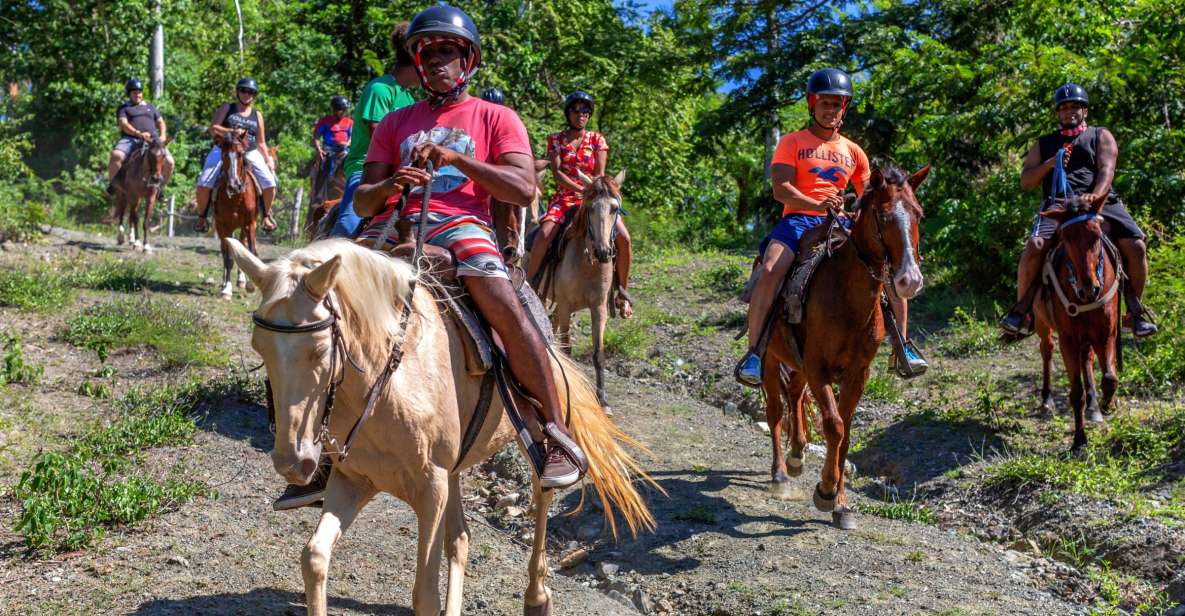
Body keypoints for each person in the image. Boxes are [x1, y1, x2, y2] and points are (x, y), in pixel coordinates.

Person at [273, 4, 588, 511]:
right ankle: (318, 454)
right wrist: (394, 183)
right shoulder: (396, 122)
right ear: (417, 62)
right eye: (429, 53)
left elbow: (525, 188)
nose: (438, 61)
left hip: (463, 226)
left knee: (499, 298)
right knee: (305, 305)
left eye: (449, 52)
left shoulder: (495, 117)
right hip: (392, 228)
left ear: (468, 61)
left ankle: (554, 430)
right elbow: (363, 201)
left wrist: (458, 158)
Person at [734, 68, 928, 388]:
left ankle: (903, 346)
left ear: (844, 108)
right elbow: (781, 189)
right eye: (825, 103)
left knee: (888, 267)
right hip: (797, 221)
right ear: (812, 104)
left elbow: (870, 196)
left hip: (841, 224)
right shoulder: (792, 143)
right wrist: (814, 204)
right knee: (770, 268)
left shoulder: (854, 152)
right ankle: (755, 352)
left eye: (837, 104)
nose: (831, 109)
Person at [1000, 83, 1156, 338]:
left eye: (1075, 106)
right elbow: (1026, 181)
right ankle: (1022, 313)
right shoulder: (1044, 143)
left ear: (1084, 110)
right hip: (1058, 204)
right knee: (1035, 247)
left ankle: (1135, 312)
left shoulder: (1100, 135)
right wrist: (1050, 164)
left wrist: (1096, 195)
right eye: (1063, 108)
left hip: (1099, 201)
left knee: (1136, 245)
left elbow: (1107, 169)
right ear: (1057, 113)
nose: (1069, 112)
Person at [524, 90, 633, 318]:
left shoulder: (597, 140)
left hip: (595, 199)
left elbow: (599, 173)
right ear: (568, 113)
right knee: (544, 234)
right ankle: (530, 288)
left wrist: (591, 194)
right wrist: (582, 190)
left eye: (585, 110)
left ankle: (622, 293)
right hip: (565, 198)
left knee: (624, 237)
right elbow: (557, 174)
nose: (581, 114)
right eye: (576, 110)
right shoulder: (556, 139)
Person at [325, 23, 419, 239]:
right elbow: (377, 133)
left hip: (400, 172)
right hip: (367, 170)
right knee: (349, 225)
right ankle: (325, 261)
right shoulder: (380, 89)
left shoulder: (411, 99)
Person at [194, 77, 279, 233]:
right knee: (204, 183)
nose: (247, 94)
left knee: (270, 183)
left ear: (254, 95)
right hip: (224, 149)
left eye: (251, 92)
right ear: (238, 92)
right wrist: (231, 131)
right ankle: (202, 217)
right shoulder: (228, 107)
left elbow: (261, 142)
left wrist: (268, 160)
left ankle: (266, 216)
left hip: (249, 151)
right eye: (243, 90)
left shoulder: (257, 115)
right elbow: (213, 128)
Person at [106, 79, 173, 196]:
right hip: (131, 138)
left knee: (170, 162)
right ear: (129, 94)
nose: (138, 95)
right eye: (134, 92)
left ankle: (159, 189)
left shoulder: (150, 107)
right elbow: (123, 124)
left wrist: (162, 136)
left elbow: (161, 122)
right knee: (116, 155)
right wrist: (138, 133)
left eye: (139, 92)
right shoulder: (124, 108)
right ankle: (114, 185)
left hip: (153, 140)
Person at [311, 95, 353, 199]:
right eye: (341, 110)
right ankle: (317, 194)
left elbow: (352, 136)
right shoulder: (325, 121)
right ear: (335, 110)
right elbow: (316, 136)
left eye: (345, 109)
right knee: (325, 165)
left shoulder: (349, 122)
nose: (344, 112)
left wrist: (347, 144)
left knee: (356, 164)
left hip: (344, 149)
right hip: (329, 149)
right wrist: (319, 149)